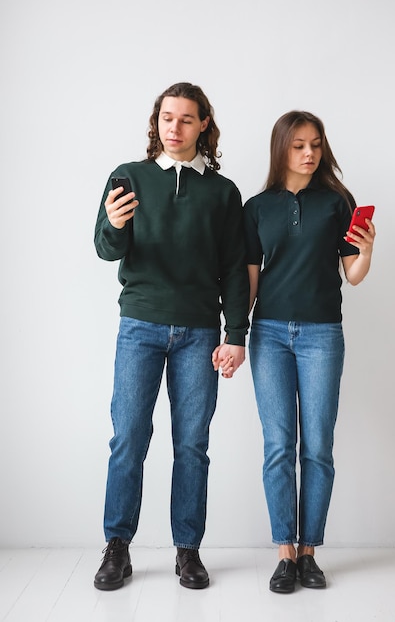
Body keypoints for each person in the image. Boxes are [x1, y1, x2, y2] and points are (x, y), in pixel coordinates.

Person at [93, 82, 249, 591]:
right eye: (166, 118)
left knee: (192, 445)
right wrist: (115, 226)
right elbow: (105, 247)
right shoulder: (128, 176)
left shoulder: (223, 193)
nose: (174, 128)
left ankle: (188, 550)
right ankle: (117, 546)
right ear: (155, 122)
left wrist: (235, 334)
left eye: (186, 119)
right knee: (129, 439)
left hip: (200, 332)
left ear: (204, 123)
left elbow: (232, 269)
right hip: (140, 324)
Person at [243, 111, 375, 593]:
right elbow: (251, 282)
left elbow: (352, 275)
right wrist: (234, 334)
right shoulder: (256, 207)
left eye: (316, 144)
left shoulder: (337, 203)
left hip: (322, 335)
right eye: (299, 144)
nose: (309, 153)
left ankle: (309, 553)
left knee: (317, 448)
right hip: (270, 336)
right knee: (279, 446)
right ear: (281, 148)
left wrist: (366, 251)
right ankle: (283, 552)